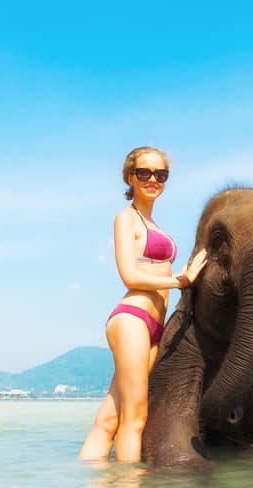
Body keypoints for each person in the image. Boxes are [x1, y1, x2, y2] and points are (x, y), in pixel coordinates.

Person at [79, 146, 207, 462]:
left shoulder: (154, 225)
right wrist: (181, 280)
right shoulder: (126, 218)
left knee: (111, 417)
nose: (152, 179)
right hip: (132, 318)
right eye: (144, 173)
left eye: (160, 174)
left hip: (153, 328)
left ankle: (85, 484)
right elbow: (130, 276)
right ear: (130, 177)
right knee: (135, 419)